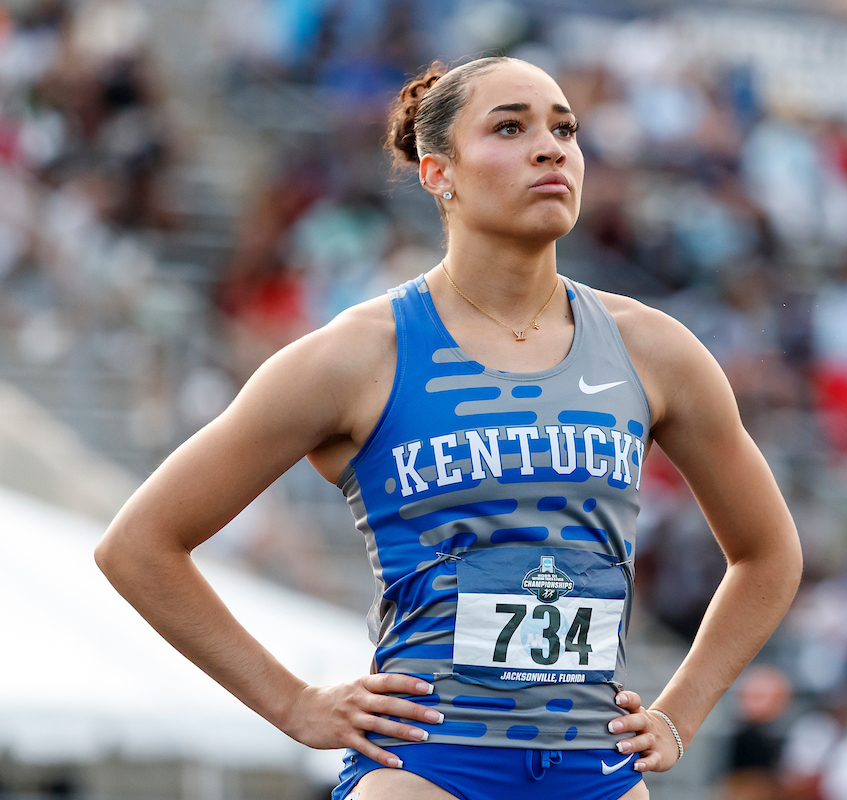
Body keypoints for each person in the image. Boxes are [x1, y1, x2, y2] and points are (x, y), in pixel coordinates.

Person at [94, 55, 803, 800]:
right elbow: (139, 544)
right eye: (510, 128)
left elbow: (768, 554)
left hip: (598, 775)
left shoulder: (653, 349)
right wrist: (293, 704)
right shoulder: (359, 355)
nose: (550, 148)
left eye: (565, 129)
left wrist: (680, 715)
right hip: (428, 771)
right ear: (438, 172)